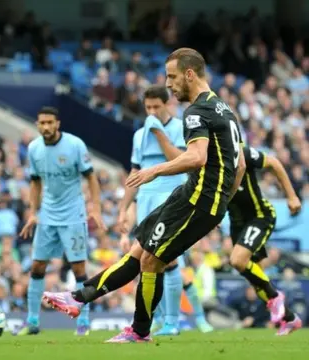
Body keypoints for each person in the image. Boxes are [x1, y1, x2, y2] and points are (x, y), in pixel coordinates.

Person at [43, 48, 246, 343]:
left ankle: (140, 330)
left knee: (152, 261)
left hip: (198, 200)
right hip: (191, 195)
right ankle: (78, 298)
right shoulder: (224, 109)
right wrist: (223, 202)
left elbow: (197, 157)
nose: (169, 84)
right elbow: (238, 164)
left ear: (190, 74)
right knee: (137, 253)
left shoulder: (195, 113)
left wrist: (155, 172)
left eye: (172, 77)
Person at [115, 85, 213, 336]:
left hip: (172, 196)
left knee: (169, 261)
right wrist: (124, 208)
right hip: (146, 199)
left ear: (167, 105)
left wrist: (158, 132)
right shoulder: (139, 135)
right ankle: (159, 320)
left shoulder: (183, 127)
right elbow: (135, 172)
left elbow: (180, 159)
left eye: (156, 107)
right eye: (148, 108)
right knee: (148, 264)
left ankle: (174, 320)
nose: (151, 112)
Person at [13, 106, 106, 337]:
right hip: (47, 215)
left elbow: (91, 177)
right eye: (41, 123)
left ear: (58, 124)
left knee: (79, 269)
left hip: (73, 214)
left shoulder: (75, 145)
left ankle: (83, 321)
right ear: (37, 124)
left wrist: (95, 207)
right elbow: (35, 182)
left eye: (49, 123)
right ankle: (32, 321)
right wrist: (33, 212)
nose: (45, 127)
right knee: (37, 266)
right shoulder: (34, 148)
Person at [226, 145, 303, 335]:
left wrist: (291, 196)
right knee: (256, 277)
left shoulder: (241, 152)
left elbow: (274, 163)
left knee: (237, 260)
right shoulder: (206, 160)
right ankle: (290, 318)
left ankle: (276, 298)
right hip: (237, 223)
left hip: (259, 216)